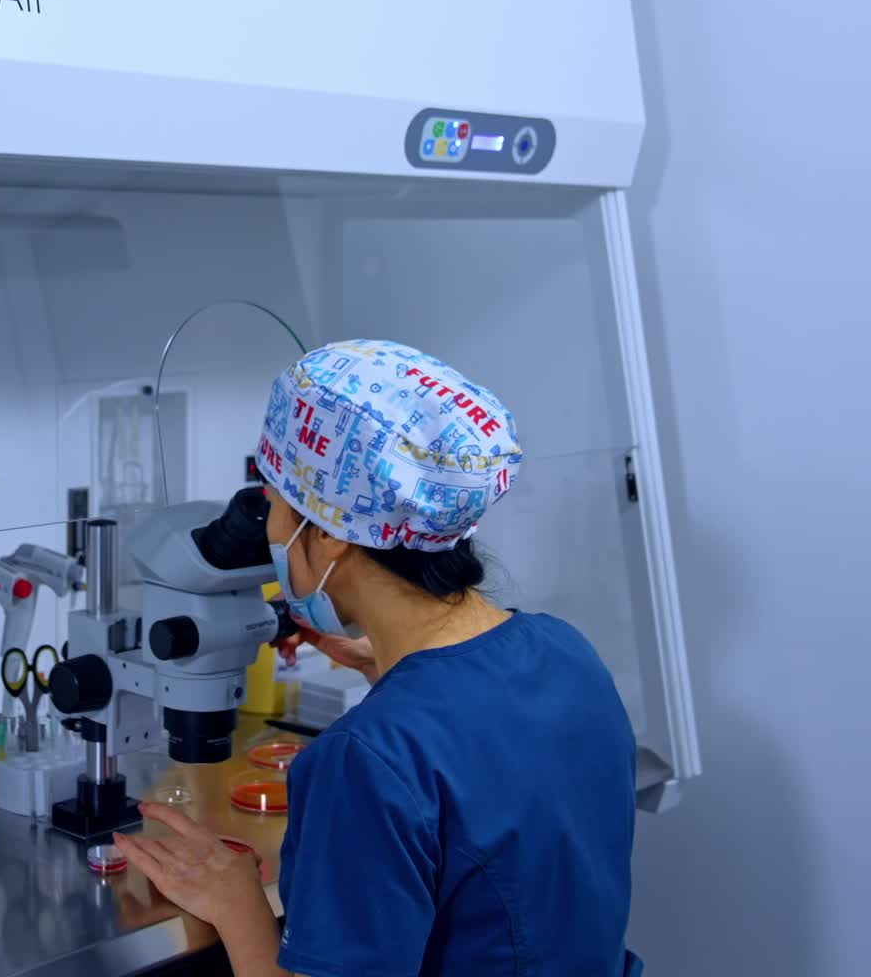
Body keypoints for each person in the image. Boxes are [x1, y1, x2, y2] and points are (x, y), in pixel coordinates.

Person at [115, 339, 642, 977]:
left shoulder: (366, 761)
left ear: (331, 529)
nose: (272, 531)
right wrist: (382, 666)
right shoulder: (565, 653)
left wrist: (238, 905)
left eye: (277, 504)